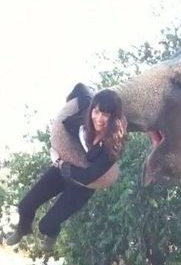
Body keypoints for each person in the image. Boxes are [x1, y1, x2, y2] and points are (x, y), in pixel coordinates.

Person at [6, 87, 127, 251]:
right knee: (25, 205)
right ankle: (23, 230)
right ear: (91, 109)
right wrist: (69, 100)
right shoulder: (84, 113)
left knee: (46, 225)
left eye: (106, 115)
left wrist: (59, 161)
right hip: (61, 172)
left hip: (83, 187)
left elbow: (88, 176)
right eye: (97, 112)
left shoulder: (113, 147)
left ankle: (52, 232)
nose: (99, 119)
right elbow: (80, 88)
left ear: (114, 118)